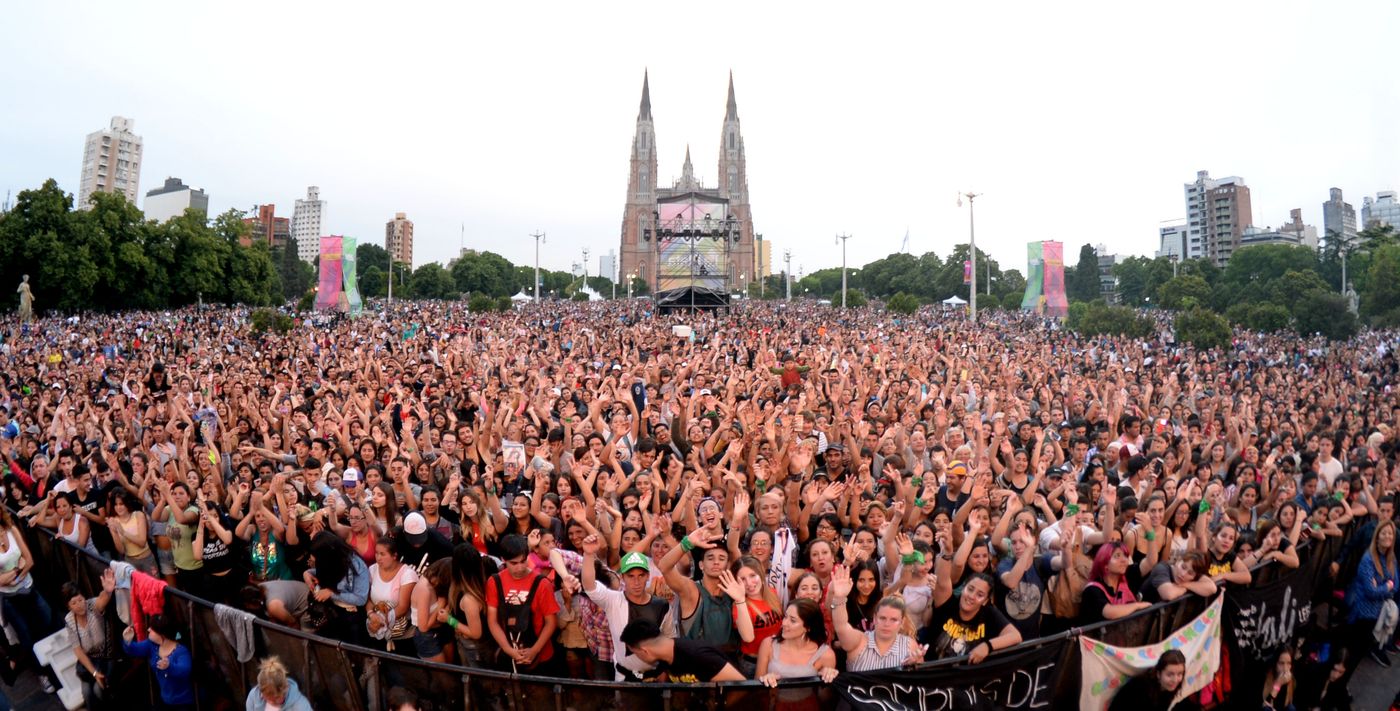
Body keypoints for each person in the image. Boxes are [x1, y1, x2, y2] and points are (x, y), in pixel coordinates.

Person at [485, 533, 560, 674]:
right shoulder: (494, 582)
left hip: (541, 656)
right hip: (508, 653)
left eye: (523, 561)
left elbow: (551, 622)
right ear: (503, 560)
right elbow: (492, 620)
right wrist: (508, 649)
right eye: (513, 563)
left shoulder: (542, 584)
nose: (519, 568)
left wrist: (534, 650)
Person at [828, 564, 925, 671]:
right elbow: (841, 626)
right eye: (882, 618)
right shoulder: (859, 641)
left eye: (894, 620)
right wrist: (839, 597)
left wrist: (913, 667)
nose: (887, 624)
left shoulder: (909, 646)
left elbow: (918, 682)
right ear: (874, 618)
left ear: (902, 622)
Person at [756, 598, 837, 711]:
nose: (784, 623)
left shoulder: (825, 654)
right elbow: (756, 691)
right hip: (775, 706)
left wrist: (828, 679)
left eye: (793, 620)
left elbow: (825, 699)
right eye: (785, 617)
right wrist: (765, 681)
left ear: (808, 627)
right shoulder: (768, 644)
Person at [618, 619, 745, 682]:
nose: (637, 657)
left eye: (635, 653)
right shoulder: (664, 659)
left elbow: (741, 687)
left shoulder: (698, 656)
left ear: (645, 651)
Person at [1345, 519, 1398, 668]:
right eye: (1384, 533)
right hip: (1362, 614)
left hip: (1376, 614)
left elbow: (1396, 586)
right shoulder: (1368, 559)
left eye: (1390, 533)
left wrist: (1383, 586)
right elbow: (1370, 591)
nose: (1387, 536)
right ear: (1377, 536)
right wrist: (1387, 586)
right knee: (1350, 655)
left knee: (1359, 656)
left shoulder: (1391, 559)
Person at [65, 570, 116, 710]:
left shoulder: (91, 606)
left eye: (80, 600)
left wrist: (108, 591)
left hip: (106, 656)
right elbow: (78, 650)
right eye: (74, 603)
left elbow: (101, 601)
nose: (79, 605)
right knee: (87, 693)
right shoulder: (69, 620)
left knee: (99, 691)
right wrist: (94, 672)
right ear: (69, 606)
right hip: (90, 659)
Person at [122, 614, 194, 711]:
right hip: (164, 700)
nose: (148, 630)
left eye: (152, 629)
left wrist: (169, 666)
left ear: (162, 635)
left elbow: (185, 670)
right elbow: (134, 650)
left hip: (182, 703)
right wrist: (128, 640)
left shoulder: (181, 651)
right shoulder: (151, 645)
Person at [1107, 649, 1194, 711]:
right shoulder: (1140, 688)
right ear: (1158, 674)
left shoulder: (1168, 689)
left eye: (1179, 674)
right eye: (1169, 674)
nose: (1175, 680)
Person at [245, 656, 313, 711]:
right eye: (268, 699)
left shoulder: (301, 706)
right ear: (261, 692)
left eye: (277, 697)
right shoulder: (253, 696)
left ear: (285, 688)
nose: (272, 702)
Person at [1262, 647, 1297, 711]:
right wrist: (1278, 684)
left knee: (1291, 708)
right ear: (1275, 664)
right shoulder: (1265, 678)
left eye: (1289, 663)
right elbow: (1266, 704)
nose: (1285, 668)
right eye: (1281, 663)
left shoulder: (1293, 681)